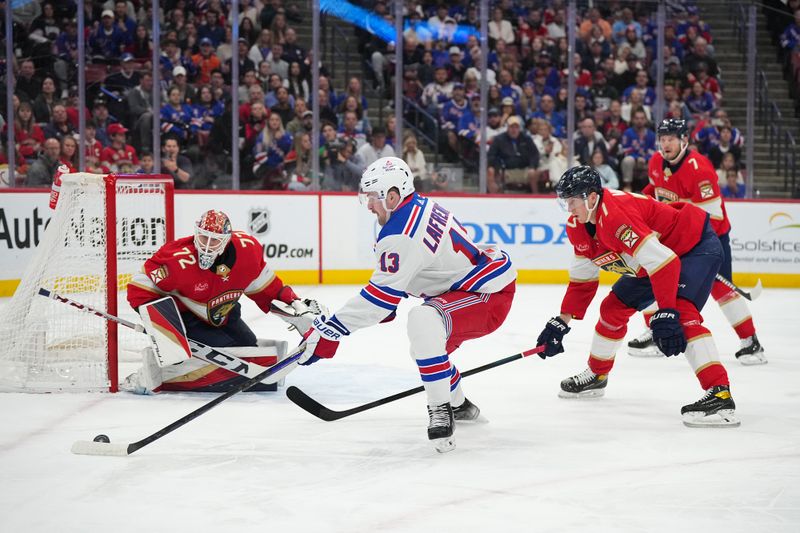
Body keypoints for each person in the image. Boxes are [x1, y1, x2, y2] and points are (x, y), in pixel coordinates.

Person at [296, 157, 517, 452]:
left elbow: (379, 300)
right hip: (474, 289)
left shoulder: (401, 232)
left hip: (485, 295)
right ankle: (461, 405)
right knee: (426, 347)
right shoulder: (413, 207)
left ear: (392, 195)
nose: (369, 205)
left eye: (372, 198)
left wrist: (330, 329)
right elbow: (397, 286)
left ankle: (441, 411)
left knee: (423, 322)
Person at [536, 166, 740, 428]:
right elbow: (583, 280)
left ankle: (720, 393)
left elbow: (665, 263)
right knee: (612, 308)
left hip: (693, 246)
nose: (569, 207)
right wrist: (561, 321)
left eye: (572, 200)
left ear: (592, 198)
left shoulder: (617, 216)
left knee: (683, 311)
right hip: (655, 258)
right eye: (565, 201)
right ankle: (597, 375)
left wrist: (666, 311)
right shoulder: (577, 225)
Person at [125, 209, 324, 393]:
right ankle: (156, 373)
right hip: (187, 320)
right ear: (196, 233)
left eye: (215, 241)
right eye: (203, 238)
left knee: (249, 349)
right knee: (234, 357)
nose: (207, 246)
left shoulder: (248, 251)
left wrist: (296, 306)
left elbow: (267, 288)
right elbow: (139, 288)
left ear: (227, 239)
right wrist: (165, 329)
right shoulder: (177, 259)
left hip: (226, 314)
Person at [629, 119, 767, 365]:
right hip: (676, 234)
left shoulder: (699, 169)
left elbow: (714, 217)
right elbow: (657, 187)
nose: (665, 143)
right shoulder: (655, 163)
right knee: (654, 277)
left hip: (709, 237)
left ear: (684, 140)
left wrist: (688, 243)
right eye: (662, 138)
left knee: (722, 289)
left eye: (671, 138)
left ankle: (751, 342)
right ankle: (657, 331)